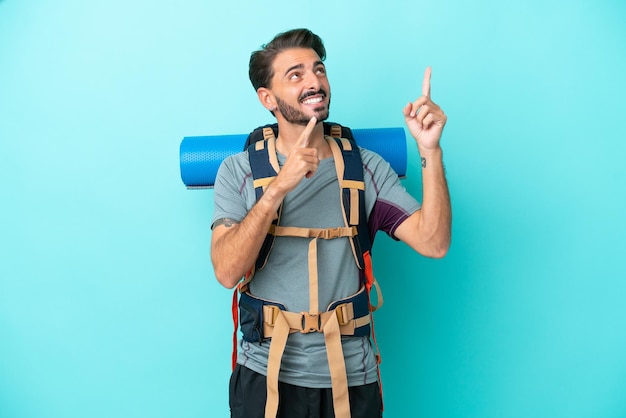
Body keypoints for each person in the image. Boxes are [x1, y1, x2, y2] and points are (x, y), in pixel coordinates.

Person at [210, 28, 451, 418]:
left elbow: (434, 242)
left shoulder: (366, 167)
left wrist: (430, 150)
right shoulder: (238, 171)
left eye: (318, 70)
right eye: (296, 75)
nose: (314, 82)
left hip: (350, 376)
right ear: (267, 98)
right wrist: (277, 189)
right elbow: (226, 270)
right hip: (265, 376)